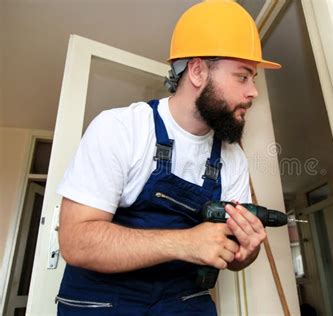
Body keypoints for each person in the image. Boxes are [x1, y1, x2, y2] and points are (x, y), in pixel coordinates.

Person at [55, 0, 281, 315]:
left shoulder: (234, 159)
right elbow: (76, 241)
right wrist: (184, 242)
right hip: (101, 301)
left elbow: (233, 257)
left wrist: (246, 251)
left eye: (253, 79)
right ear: (198, 71)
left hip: (183, 301)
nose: (253, 91)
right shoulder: (121, 128)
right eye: (243, 77)